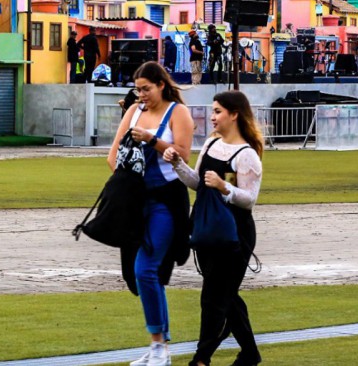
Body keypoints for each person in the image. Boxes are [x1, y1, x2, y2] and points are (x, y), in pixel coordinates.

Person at [165, 90, 264, 366]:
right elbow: (197, 182)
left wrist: (225, 187)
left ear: (234, 115)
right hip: (207, 231)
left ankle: (201, 358)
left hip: (235, 235)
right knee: (225, 295)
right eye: (212, 111)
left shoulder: (247, 155)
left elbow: (249, 200)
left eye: (218, 111)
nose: (212, 117)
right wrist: (177, 164)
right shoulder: (210, 144)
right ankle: (250, 354)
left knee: (213, 297)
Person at [106, 61, 193, 366]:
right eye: (137, 89)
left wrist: (152, 140)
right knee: (137, 273)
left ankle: (159, 347)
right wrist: (125, 180)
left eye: (146, 89)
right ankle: (159, 346)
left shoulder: (177, 112)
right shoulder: (134, 111)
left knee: (146, 269)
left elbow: (183, 154)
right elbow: (112, 154)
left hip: (166, 200)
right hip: (136, 200)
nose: (141, 94)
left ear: (161, 85)